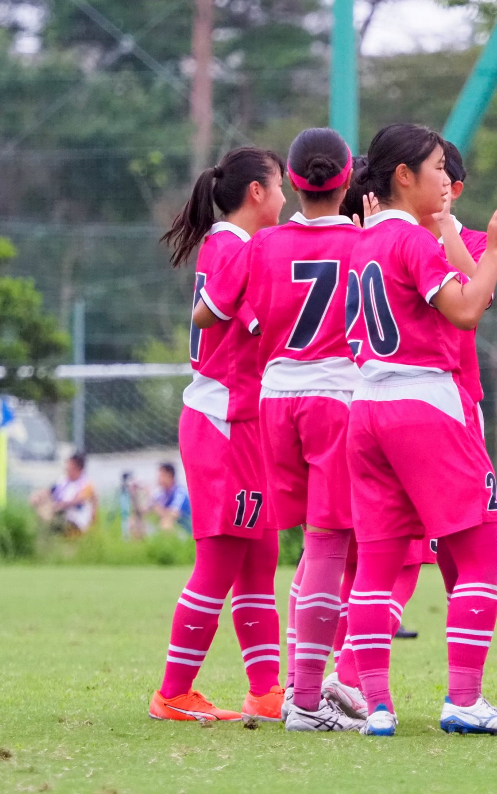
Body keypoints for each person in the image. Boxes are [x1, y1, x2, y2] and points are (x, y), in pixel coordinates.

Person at [341, 122, 497, 738]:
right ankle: (464, 700)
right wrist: (496, 247)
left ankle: (377, 706)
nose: (447, 179)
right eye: (437, 168)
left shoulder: (361, 241)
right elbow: (468, 310)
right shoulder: (413, 242)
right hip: (423, 404)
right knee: (481, 552)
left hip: (366, 408)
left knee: (377, 560)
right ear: (403, 176)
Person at [196, 127, 367, 733]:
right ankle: (307, 697)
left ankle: (300, 688)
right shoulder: (366, 242)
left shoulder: (261, 245)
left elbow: (216, 314)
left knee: (299, 549)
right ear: (348, 179)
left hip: (275, 403)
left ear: (292, 183)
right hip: (336, 400)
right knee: (330, 547)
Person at [148, 147, 286, 724]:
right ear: (256, 192)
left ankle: (267, 691)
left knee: (260, 558)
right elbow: (216, 314)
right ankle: (173, 694)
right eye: (278, 185)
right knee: (221, 562)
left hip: (245, 423)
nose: (285, 196)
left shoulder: (234, 246)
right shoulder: (235, 248)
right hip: (221, 422)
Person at [30, 451, 97, 535]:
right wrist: (38, 497)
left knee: (53, 517)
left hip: (77, 522)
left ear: (78, 468)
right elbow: (50, 490)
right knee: (43, 511)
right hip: (61, 516)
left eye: (70, 465)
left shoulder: (86, 485)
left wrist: (57, 506)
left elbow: (77, 500)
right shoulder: (63, 481)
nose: (66, 467)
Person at [149, 463, 190, 534]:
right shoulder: (161, 493)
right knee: (135, 521)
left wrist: (156, 507)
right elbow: (145, 510)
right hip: (175, 525)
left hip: (185, 526)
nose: (158, 479)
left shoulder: (180, 492)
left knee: (166, 523)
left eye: (161, 476)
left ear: (169, 476)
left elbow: (173, 514)